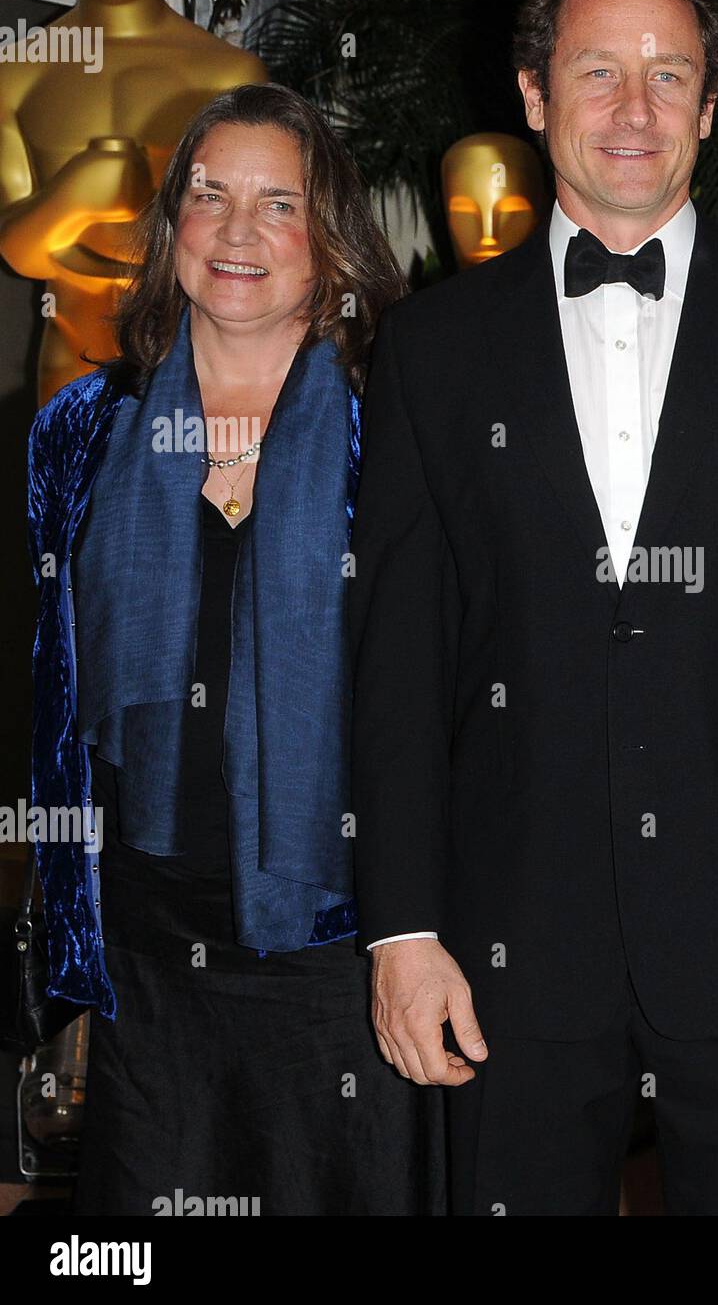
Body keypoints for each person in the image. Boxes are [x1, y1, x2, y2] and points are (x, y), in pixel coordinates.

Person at [348, 0, 718, 1215]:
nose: (636, 107)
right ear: (536, 96)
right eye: (599, 71)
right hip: (505, 950)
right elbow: (399, 658)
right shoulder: (430, 350)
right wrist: (402, 929)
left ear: (711, 105)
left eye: (670, 73)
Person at [27, 83, 442, 1214]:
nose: (239, 232)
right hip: (150, 943)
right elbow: (51, 698)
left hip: (339, 944)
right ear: (173, 230)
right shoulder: (83, 429)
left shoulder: (397, 431)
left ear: (332, 244)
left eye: (279, 204)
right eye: (210, 196)